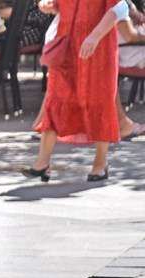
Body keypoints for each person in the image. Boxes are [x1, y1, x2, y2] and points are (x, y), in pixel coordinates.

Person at [23, 0, 124, 182]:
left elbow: (120, 8)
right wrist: (49, 5)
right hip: (65, 43)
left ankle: (100, 163)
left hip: (98, 45)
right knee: (55, 97)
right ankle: (42, 162)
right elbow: (59, 5)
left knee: (99, 100)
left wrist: (95, 35)